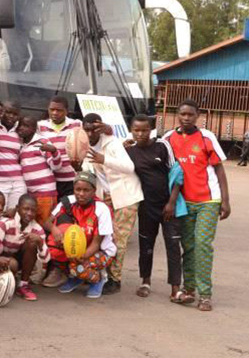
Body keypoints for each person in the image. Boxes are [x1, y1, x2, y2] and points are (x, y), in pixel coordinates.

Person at [162, 100, 231, 311]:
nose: (186, 118)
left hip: (208, 201)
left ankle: (205, 295)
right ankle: (189, 289)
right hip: (183, 203)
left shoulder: (206, 137)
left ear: (197, 116)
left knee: (202, 245)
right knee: (189, 246)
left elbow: (219, 170)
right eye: (182, 114)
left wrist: (226, 201)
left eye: (190, 115)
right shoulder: (167, 138)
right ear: (177, 115)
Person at [81, 113, 142, 295]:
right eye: (87, 129)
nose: (90, 133)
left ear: (101, 127)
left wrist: (104, 159)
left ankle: (115, 280)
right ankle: (98, 275)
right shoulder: (83, 144)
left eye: (94, 129)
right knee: (102, 237)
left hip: (125, 196)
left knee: (118, 239)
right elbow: (88, 170)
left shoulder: (112, 142)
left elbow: (129, 167)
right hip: (105, 197)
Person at [124, 114, 183, 302]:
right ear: (131, 130)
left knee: (173, 245)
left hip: (168, 207)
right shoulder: (129, 151)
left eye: (144, 130)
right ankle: (145, 281)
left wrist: (171, 203)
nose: (140, 134)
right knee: (146, 245)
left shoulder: (162, 146)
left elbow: (177, 173)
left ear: (151, 130)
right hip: (146, 207)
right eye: (136, 130)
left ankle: (175, 288)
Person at [46, 172, 117, 299]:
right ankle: (77, 278)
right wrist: (54, 229)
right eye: (78, 189)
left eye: (86, 190)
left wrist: (81, 256)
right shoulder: (68, 201)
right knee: (53, 248)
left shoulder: (101, 209)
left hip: (101, 251)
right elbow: (47, 222)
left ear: (94, 191)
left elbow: (96, 243)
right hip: (78, 247)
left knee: (77, 267)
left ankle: (98, 279)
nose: (81, 194)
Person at [0, 194, 49, 301]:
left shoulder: (37, 229)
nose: (29, 213)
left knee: (31, 244)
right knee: (12, 265)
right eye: (26, 209)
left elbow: (46, 259)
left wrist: (40, 242)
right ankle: (2, 279)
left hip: (18, 260)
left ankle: (23, 285)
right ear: (17, 208)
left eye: (33, 210)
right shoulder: (6, 223)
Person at [16, 115, 60, 225]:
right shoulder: (21, 144)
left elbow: (56, 166)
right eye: (20, 125)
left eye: (26, 126)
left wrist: (54, 152)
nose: (22, 128)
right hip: (31, 194)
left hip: (45, 193)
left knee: (45, 225)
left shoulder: (42, 142)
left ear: (34, 129)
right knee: (33, 226)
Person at [37, 96, 82, 199]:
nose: (54, 113)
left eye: (59, 110)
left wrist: (108, 129)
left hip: (72, 180)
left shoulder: (77, 124)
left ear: (67, 111)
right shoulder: (40, 126)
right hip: (50, 181)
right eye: (52, 109)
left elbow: (93, 130)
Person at [0, 101, 26, 209]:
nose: (11, 116)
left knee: (15, 217)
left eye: (15, 114)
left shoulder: (20, 131)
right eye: (8, 112)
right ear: (1, 112)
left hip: (18, 183)